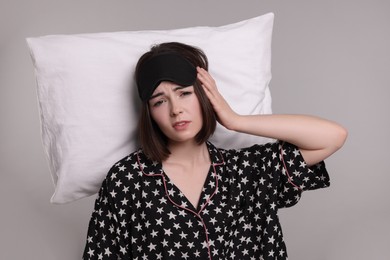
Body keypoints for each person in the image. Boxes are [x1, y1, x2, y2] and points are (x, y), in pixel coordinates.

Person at [83, 42, 347, 260]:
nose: (175, 109)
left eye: (184, 93)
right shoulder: (126, 180)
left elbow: (333, 137)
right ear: (149, 113)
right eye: (159, 101)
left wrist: (235, 120)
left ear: (205, 94)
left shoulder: (246, 170)